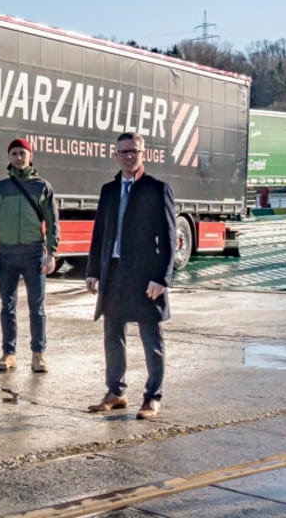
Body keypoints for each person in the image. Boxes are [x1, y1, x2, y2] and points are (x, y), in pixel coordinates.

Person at [84, 132, 176, 420]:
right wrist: (93, 271)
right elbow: (100, 233)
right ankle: (116, 392)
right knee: (113, 335)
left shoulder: (157, 189)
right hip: (114, 275)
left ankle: (152, 397)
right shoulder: (108, 191)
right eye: (123, 151)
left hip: (146, 278)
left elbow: (170, 239)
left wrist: (162, 278)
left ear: (143, 153)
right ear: (116, 155)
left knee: (151, 339)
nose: (128, 156)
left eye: (133, 151)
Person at [0, 138, 60, 373]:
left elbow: (52, 223)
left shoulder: (42, 187)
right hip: (6, 255)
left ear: (30, 156)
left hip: (34, 254)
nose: (18, 157)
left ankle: (38, 355)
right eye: (14, 153)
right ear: (9, 157)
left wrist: (51, 253)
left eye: (22, 153)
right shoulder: (0, 188)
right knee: (7, 306)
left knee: (37, 307)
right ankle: (9, 354)